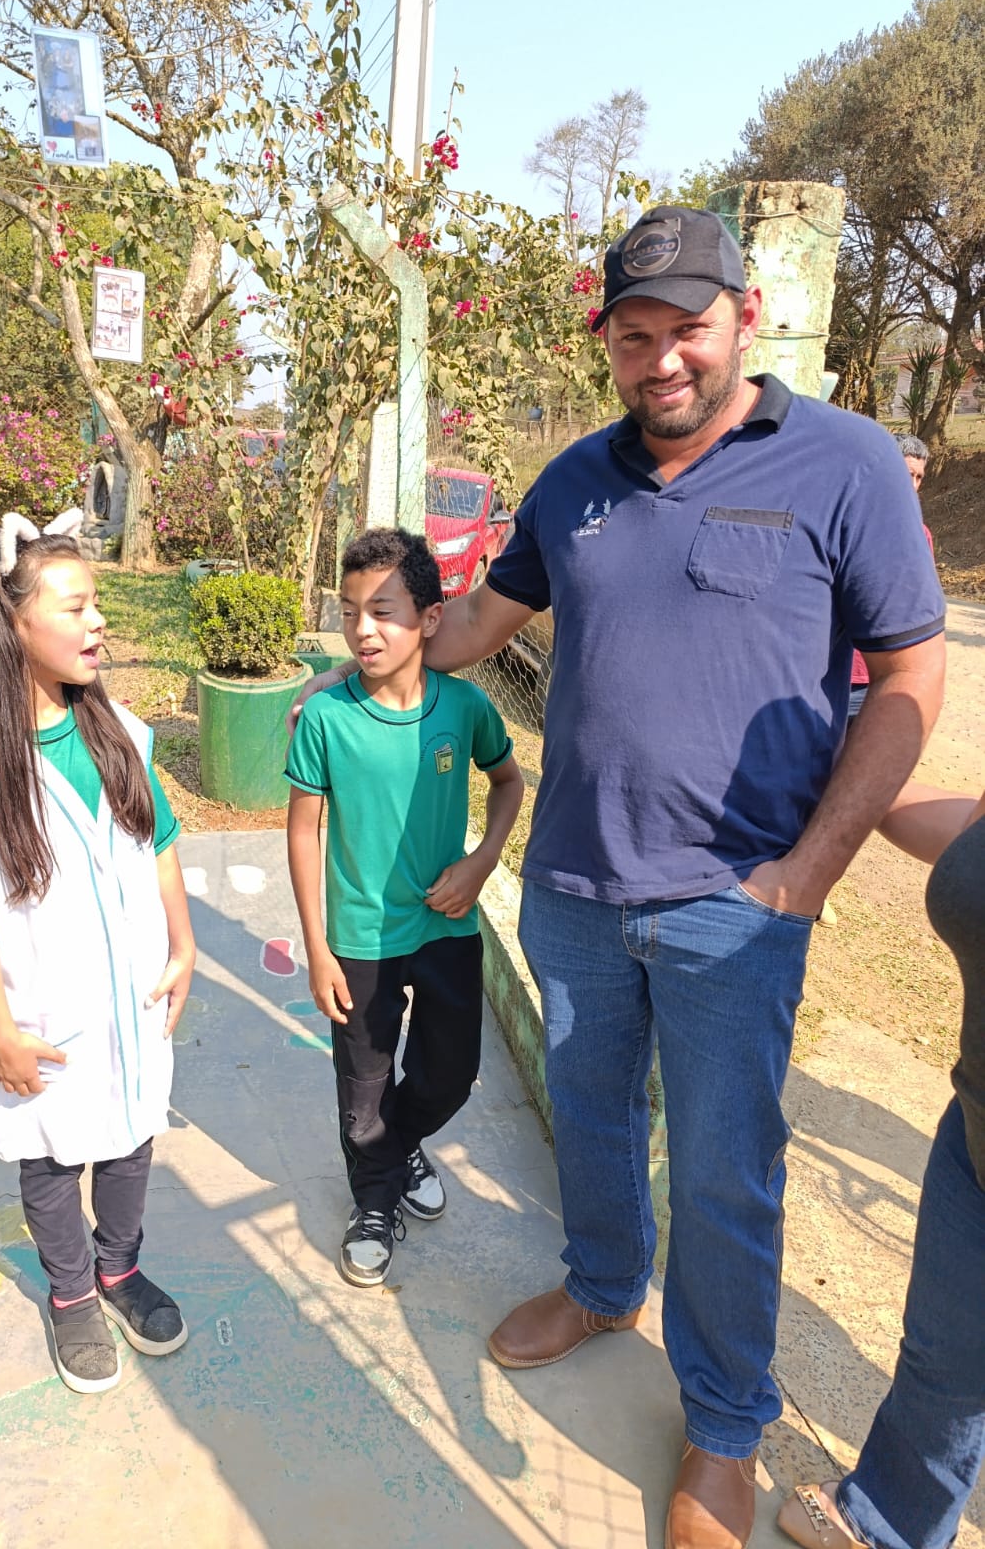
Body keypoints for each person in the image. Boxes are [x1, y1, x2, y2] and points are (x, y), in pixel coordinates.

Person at [292, 207, 945, 1547]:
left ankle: (720, 1428)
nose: (661, 363)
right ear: (609, 341)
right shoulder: (576, 478)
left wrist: (808, 878)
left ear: (743, 316)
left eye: (686, 331)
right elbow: (482, 618)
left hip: (737, 902)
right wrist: (385, 647)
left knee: (722, 1171)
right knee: (591, 1122)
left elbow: (914, 673)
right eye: (634, 337)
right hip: (580, 889)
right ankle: (600, 1285)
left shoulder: (845, 463)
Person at [0, 508, 196, 1395]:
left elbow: (159, 840)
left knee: (130, 1139)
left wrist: (184, 944)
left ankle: (120, 1267)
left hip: (133, 999)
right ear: (12, 624)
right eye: (75, 608)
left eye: (97, 605)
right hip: (42, 1016)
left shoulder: (117, 727)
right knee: (51, 1156)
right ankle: (72, 1293)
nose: (98, 622)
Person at [285, 527, 523, 1288]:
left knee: (452, 1072)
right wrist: (318, 948)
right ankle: (374, 1201)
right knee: (362, 1097)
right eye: (351, 610)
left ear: (430, 618)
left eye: (384, 611)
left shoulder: (465, 707)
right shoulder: (326, 718)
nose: (363, 629)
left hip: (445, 922)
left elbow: (509, 782)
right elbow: (302, 831)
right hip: (359, 936)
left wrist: (481, 863)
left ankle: (402, 1142)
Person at [779, 777, 985, 1549]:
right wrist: (852, 778)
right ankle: (884, 1522)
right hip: (976, 1136)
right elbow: (969, 834)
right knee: (944, 1363)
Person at [848, 434, 933, 719]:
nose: (912, 485)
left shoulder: (920, 536)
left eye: (918, 477)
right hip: (830, 675)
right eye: (906, 473)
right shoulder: (843, 521)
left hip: (880, 679)